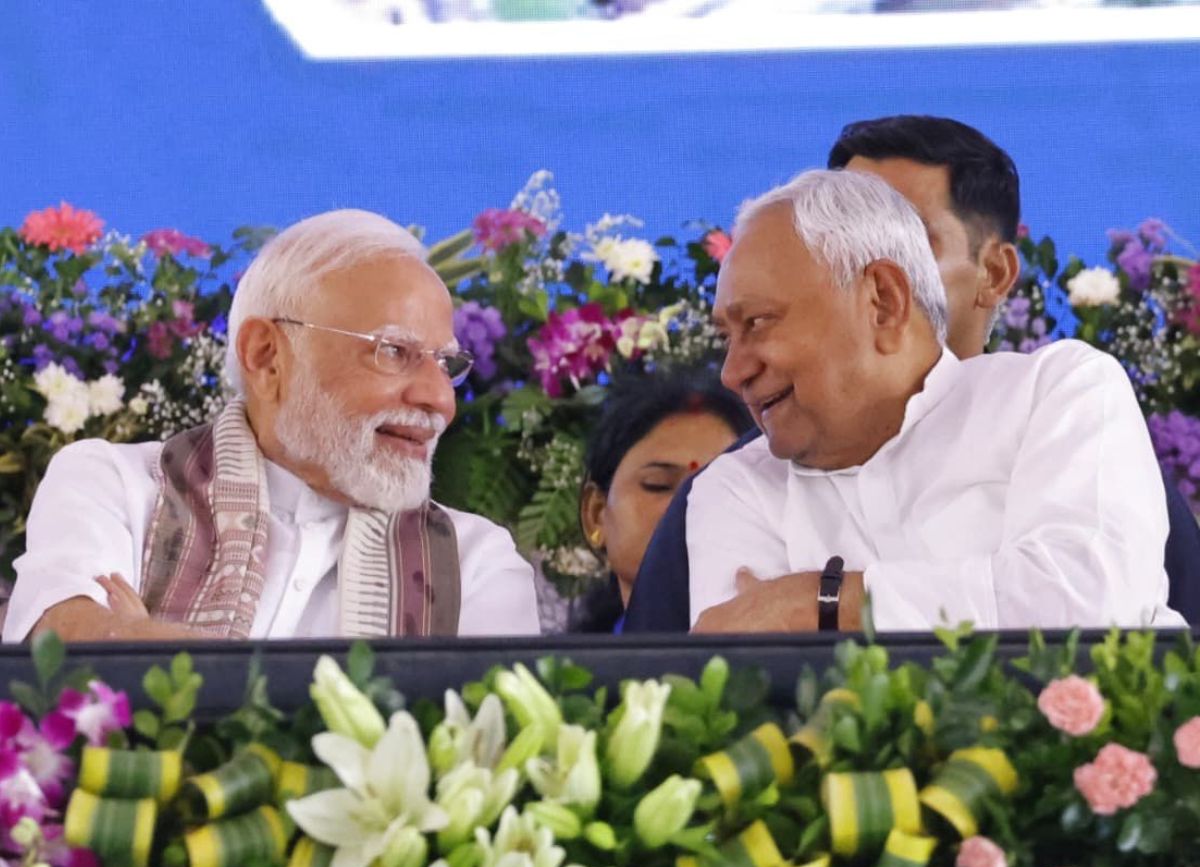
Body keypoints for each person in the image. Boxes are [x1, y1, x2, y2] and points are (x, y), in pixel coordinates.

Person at [624, 169, 1184, 633]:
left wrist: (819, 603)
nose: (733, 373)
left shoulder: (1056, 393)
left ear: (883, 301)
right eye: (727, 337)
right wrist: (985, 595)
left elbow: (1092, 609)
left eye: (758, 322)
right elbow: (753, 687)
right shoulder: (735, 488)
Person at [2, 210, 540, 642]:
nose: (439, 400)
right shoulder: (114, 486)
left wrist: (149, 639)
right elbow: (63, 657)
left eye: (446, 364)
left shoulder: (474, 562)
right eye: (395, 352)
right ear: (266, 356)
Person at [828, 114, 1200, 623]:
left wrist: (819, 603)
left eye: (906, 243)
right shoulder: (755, 468)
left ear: (995, 273)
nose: (868, 273)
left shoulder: (1076, 417)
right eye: (840, 243)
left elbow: (1090, 617)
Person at [570, 368, 752, 632]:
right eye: (657, 485)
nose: (685, 507)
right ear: (595, 514)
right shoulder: (559, 660)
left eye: (718, 489)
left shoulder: (799, 651)